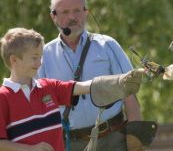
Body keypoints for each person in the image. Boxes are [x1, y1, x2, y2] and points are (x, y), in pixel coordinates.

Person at [0, 28, 143, 151]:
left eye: (41, 57)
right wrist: (30, 149)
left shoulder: (48, 86)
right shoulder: (3, 97)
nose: (39, 63)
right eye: (34, 58)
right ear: (14, 60)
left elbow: (84, 87)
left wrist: (119, 81)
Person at [38, 0, 144, 151]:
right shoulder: (43, 55)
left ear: (86, 12)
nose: (72, 17)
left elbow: (129, 94)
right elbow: (39, 106)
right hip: (70, 143)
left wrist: (135, 139)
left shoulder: (107, 45)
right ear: (54, 16)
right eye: (65, 12)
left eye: (77, 11)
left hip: (113, 138)